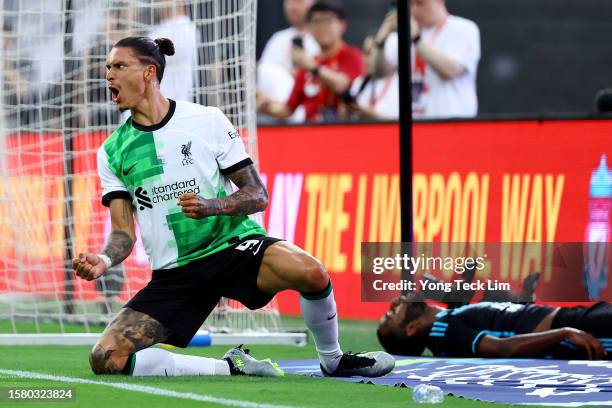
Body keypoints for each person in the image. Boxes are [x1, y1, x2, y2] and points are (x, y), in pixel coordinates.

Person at [72, 35, 394, 378]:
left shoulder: (206, 120)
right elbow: (123, 232)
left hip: (232, 247)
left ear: (149, 72)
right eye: (108, 67)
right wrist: (104, 259)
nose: (109, 75)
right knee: (106, 358)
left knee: (312, 272)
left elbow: (257, 194)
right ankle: (231, 366)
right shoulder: (112, 151)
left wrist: (213, 206)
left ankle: (333, 359)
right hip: (176, 273)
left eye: (119, 66)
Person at [377, 293, 611, 360]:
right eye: (391, 314)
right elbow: (502, 349)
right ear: (411, 329)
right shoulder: (443, 331)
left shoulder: (446, 322)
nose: (394, 303)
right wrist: (565, 333)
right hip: (575, 327)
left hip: (574, 319)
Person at [257, 0, 364, 123]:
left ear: (342, 25)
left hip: (342, 129)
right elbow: (288, 109)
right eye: (316, 22)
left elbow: (344, 86)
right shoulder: (309, 64)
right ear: (309, 29)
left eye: (327, 20)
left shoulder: (351, 55)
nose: (322, 27)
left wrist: (313, 68)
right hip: (310, 131)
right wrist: (265, 107)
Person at [373, 0, 480, 119]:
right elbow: (380, 73)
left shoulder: (463, 28)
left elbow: (450, 70)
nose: (414, 10)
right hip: (415, 123)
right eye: (411, 5)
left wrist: (416, 39)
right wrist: (380, 41)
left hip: (452, 122)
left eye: (420, 3)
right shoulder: (404, 34)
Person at [342, 34, 399, 121]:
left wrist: (370, 115)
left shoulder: (400, 83)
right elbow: (346, 120)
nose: (367, 59)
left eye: (373, 53)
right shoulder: (359, 82)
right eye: (365, 52)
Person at [259, 0, 320, 73]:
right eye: (289, 2)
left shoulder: (323, 38)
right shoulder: (278, 38)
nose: (293, 8)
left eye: (299, 1)